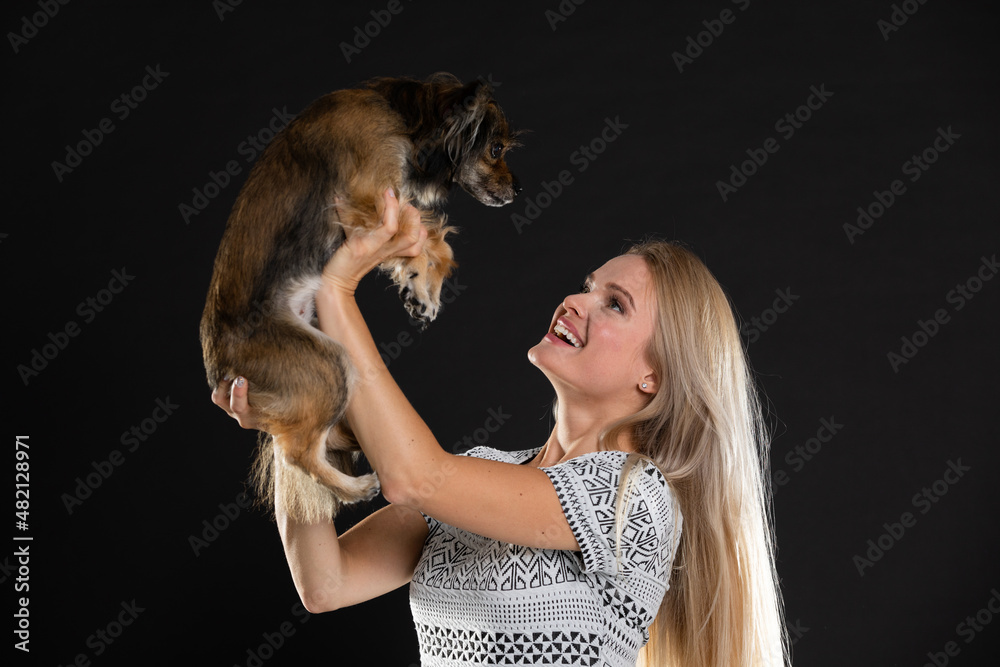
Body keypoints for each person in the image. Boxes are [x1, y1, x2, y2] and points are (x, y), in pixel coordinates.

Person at [212, 188, 791, 666]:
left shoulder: (634, 498)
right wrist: (299, 429)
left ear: (654, 376)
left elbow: (416, 476)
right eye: (588, 286)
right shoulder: (486, 469)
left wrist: (335, 290)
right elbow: (325, 582)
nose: (574, 300)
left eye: (614, 304)